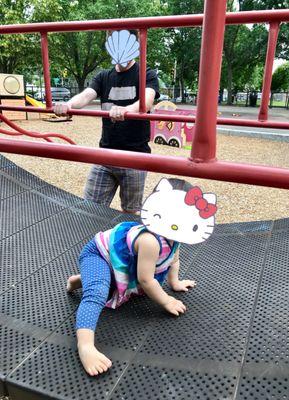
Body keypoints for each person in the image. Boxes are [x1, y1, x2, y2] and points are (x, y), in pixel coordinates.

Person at [66, 178, 217, 376]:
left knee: (105, 282)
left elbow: (174, 260)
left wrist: (175, 282)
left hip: (120, 261)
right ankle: (85, 346)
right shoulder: (150, 241)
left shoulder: (176, 237)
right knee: (97, 292)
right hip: (99, 255)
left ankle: (80, 279)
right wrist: (167, 300)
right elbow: (146, 280)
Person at [54, 29, 159, 214]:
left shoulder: (146, 74)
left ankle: (124, 241)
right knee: (90, 207)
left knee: (130, 211)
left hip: (135, 156)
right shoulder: (103, 76)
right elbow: (86, 95)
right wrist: (67, 104)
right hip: (105, 155)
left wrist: (125, 110)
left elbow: (147, 100)